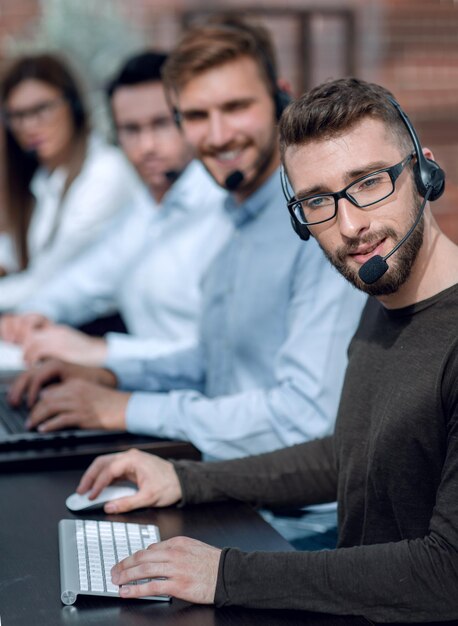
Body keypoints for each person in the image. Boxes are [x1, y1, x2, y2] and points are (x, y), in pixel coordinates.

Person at [73, 77, 458, 622]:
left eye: (369, 183)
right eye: (318, 201)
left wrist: (226, 574)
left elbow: (448, 573)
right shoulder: (383, 301)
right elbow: (349, 454)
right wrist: (185, 479)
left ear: (424, 171)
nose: (351, 226)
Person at [8, 20, 365, 466]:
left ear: (280, 98)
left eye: (236, 107)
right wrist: (107, 374)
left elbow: (304, 418)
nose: (217, 136)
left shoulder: (320, 221)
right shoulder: (237, 215)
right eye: (196, 116)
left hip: (294, 520)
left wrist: (126, 407)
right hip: (227, 476)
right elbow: (221, 361)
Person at [0, 51, 231, 365]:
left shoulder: (226, 209)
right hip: (148, 387)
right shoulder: (147, 207)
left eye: (161, 123)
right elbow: (89, 277)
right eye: (131, 130)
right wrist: (36, 312)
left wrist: (100, 351)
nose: (146, 146)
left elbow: (223, 356)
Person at [0, 53, 141, 311]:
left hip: (99, 324)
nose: (29, 126)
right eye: (17, 116)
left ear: (73, 105)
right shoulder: (44, 178)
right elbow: (10, 252)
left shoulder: (104, 173)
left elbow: (50, 280)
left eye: (41, 109)